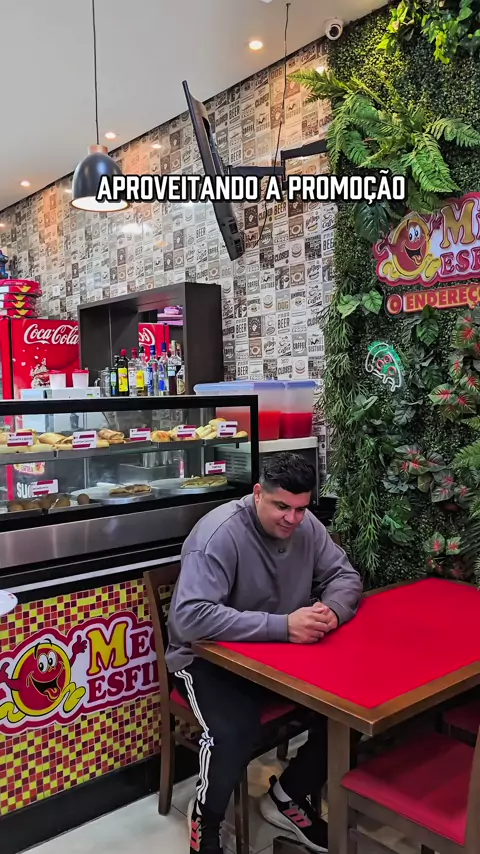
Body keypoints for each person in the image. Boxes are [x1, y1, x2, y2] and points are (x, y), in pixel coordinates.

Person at [166, 452, 363, 854]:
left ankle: (287, 795)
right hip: (208, 660)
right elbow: (189, 618)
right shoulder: (218, 534)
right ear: (258, 493)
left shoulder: (307, 526)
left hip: (278, 657)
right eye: (281, 507)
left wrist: (332, 611)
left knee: (352, 704)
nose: (292, 519)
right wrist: (284, 626)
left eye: (301, 508)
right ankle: (206, 818)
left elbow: (344, 575)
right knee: (234, 732)